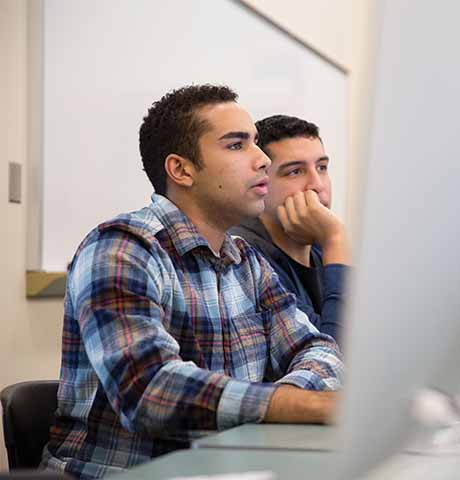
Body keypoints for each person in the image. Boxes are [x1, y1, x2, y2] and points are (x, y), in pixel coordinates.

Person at [41, 85, 343, 479]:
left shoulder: (245, 260)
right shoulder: (121, 247)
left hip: (225, 471)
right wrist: (299, 405)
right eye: (237, 145)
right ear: (181, 169)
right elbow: (148, 389)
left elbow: (319, 349)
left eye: (256, 143)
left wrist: (292, 398)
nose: (262, 159)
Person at [230, 115, 350, 345]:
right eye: (295, 171)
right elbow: (335, 360)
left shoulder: (320, 249)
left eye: (322, 167)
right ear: (261, 183)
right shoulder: (243, 258)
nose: (317, 184)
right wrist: (336, 240)